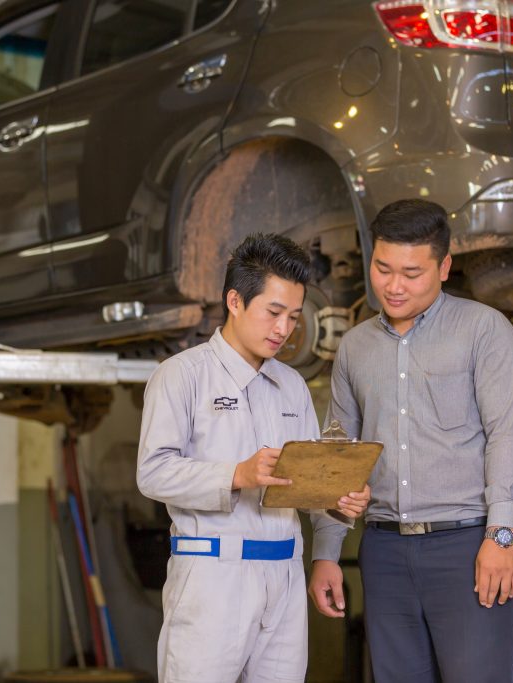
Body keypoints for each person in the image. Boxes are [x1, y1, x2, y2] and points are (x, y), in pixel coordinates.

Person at [309, 199, 513, 683]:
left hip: (466, 547)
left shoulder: (483, 331)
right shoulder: (355, 347)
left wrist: (502, 535)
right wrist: (326, 552)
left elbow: (507, 436)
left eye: (411, 273)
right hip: (384, 550)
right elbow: (338, 453)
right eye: (382, 268)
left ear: (444, 267)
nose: (393, 286)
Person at [137, 233, 371, 683]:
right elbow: (153, 472)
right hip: (212, 576)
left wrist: (339, 499)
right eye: (273, 312)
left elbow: (310, 481)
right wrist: (237, 474)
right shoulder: (181, 376)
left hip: (284, 577)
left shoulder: (292, 386)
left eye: (294, 317)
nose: (284, 329)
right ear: (235, 301)